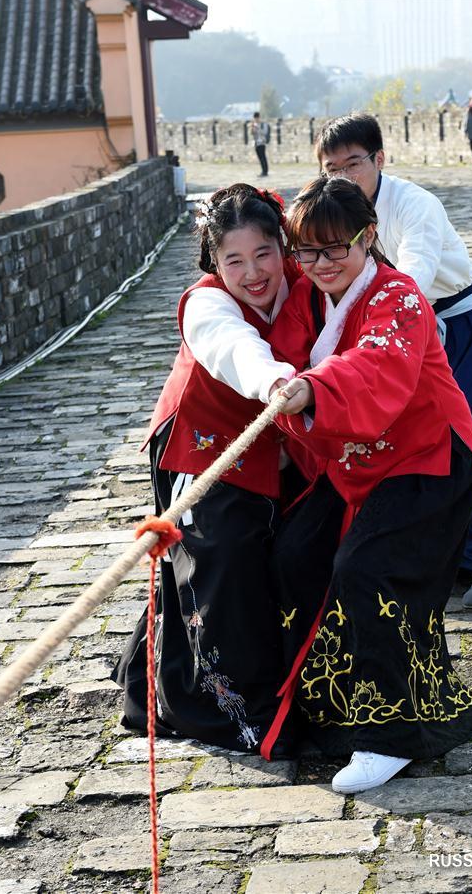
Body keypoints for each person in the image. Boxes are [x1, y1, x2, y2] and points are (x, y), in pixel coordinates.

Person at [258, 176, 472, 793]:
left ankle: (387, 733)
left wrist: (314, 387)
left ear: (368, 237)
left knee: (368, 570)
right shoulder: (308, 298)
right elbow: (270, 351)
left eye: (335, 248)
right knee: (294, 553)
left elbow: (376, 363)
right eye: (308, 251)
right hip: (355, 461)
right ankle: (327, 704)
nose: (321, 264)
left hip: (428, 457)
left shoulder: (400, 297)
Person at [113, 184, 301, 755]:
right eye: (234, 260)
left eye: (264, 253)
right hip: (198, 443)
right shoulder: (205, 304)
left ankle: (146, 678)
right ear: (214, 262)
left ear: (282, 246)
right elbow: (233, 348)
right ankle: (228, 709)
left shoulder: (304, 280)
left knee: (254, 556)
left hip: (268, 437)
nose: (253, 273)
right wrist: (275, 382)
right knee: (219, 561)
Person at [313, 113, 472, 610]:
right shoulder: (334, 210)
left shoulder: (414, 204)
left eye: (353, 164)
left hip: (455, 324)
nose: (344, 177)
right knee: (422, 445)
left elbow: (415, 273)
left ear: (379, 159)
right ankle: (450, 554)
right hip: (390, 333)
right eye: (331, 169)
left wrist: (384, 328)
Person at [251, 111, 270, 177]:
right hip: (256, 143)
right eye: (255, 118)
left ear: (259, 117)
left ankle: (265, 171)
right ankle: (263, 171)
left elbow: (265, 132)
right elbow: (253, 133)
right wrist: (253, 129)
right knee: (260, 158)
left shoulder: (263, 124)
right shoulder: (254, 124)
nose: (256, 119)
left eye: (257, 118)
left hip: (262, 142)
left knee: (263, 157)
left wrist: (258, 128)